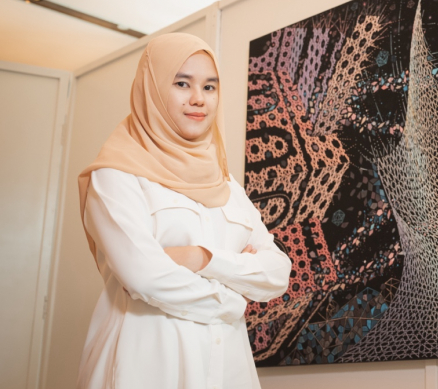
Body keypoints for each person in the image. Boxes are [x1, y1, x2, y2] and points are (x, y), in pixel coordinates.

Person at [75, 33, 292, 389]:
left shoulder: (226, 185)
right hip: (144, 363)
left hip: (228, 369)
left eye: (210, 87)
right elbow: (145, 276)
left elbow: (277, 272)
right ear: (153, 88)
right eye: (181, 83)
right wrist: (232, 298)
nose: (198, 99)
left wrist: (201, 259)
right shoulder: (115, 176)